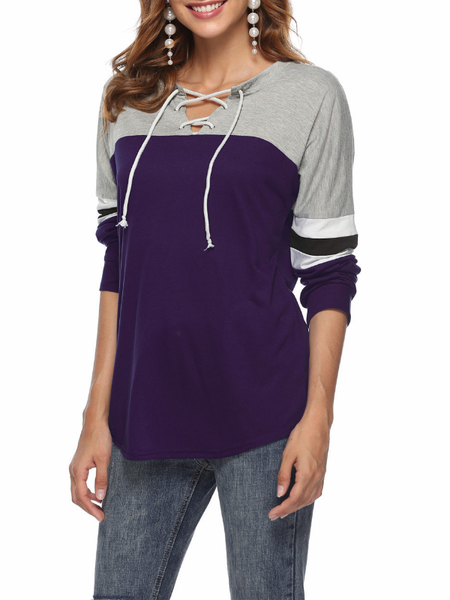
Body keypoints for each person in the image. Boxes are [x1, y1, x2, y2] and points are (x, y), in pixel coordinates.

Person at [69, 0, 361, 598]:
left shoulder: (311, 96)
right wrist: (95, 416)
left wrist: (318, 420)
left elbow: (329, 271)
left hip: (268, 421)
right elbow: (118, 261)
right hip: (144, 417)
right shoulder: (127, 100)